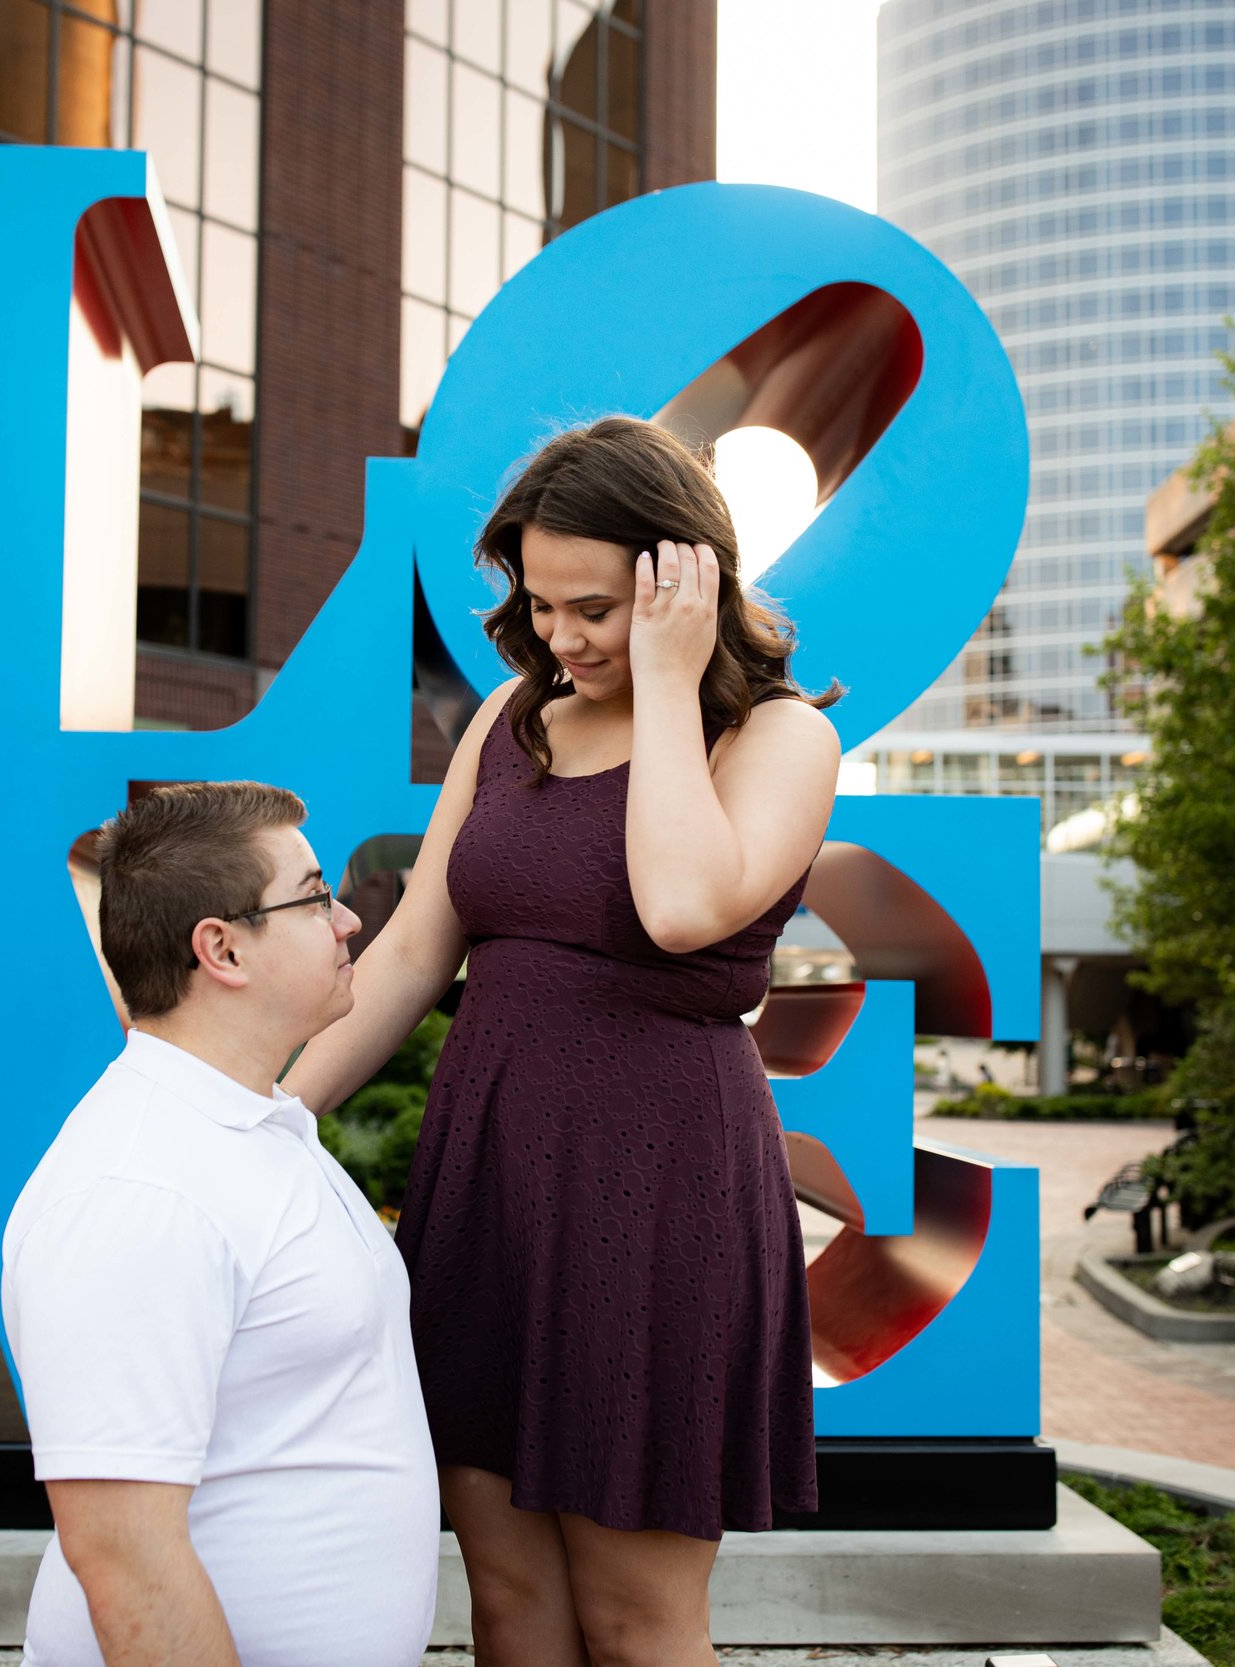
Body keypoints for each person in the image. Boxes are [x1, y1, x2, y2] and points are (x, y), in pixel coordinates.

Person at [288, 416, 842, 1667]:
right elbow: (416, 949)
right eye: (538, 606)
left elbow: (683, 905)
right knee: (508, 1598)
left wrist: (661, 684)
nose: (559, 638)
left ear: (681, 576)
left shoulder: (779, 737)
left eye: (591, 607)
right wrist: (272, 1114)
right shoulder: (508, 723)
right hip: (491, 1179)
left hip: (660, 1190)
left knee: (637, 1617)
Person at [2, 782, 439, 1667]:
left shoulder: (256, 1126)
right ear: (224, 948)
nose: (350, 918)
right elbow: (123, 1552)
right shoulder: (140, 1188)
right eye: (315, 895)